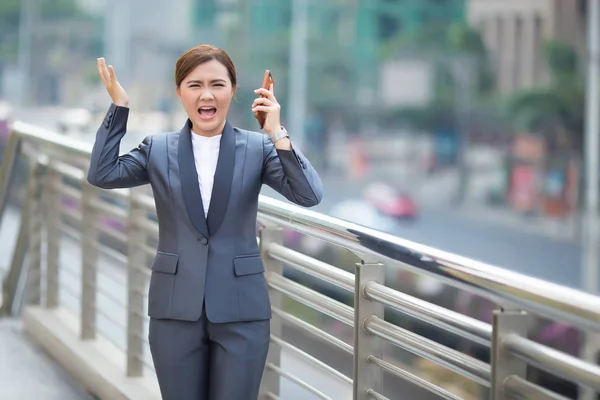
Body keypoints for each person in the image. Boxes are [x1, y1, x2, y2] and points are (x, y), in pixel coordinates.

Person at [87, 44, 323, 400]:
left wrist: (277, 131)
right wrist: (119, 107)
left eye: (217, 84)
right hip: (174, 310)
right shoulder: (158, 148)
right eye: (194, 85)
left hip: (242, 312)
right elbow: (103, 173)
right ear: (179, 91)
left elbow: (308, 195)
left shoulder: (257, 149)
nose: (206, 94)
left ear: (233, 90)